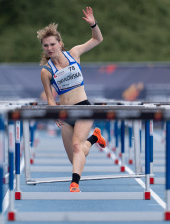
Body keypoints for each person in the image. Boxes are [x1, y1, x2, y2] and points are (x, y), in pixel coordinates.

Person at [37, 7, 106, 192]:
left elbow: (98, 39)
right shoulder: (46, 71)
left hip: (83, 107)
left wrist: (93, 24)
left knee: (77, 147)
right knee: (76, 155)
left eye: (52, 44)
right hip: (65, 112)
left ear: (60, 43)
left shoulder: (74, 54)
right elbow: (50, 98)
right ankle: (94, 138)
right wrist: (54, 113)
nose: (49, 48)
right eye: (46, 46)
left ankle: (74, 183)